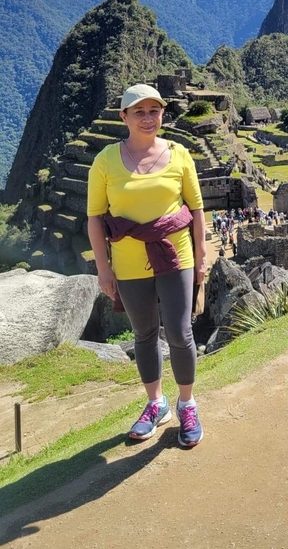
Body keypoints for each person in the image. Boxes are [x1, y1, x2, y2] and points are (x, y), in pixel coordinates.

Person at [87, 83, 208, 448]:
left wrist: (201, 257)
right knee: (143, 334)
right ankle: (156, 403)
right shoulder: (105, 161)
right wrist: (103, 269)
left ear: (162, 115)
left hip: (176, 258)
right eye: (139, 111)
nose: (148, 118)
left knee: (180, 332)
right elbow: (94, 218)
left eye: (154, 111)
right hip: (128, 263)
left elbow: (197, 209)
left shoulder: (179, 154)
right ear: (123, 116)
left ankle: (187, 403)